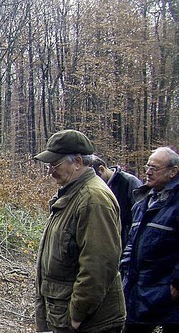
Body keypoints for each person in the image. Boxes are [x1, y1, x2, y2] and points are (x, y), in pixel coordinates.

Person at [34, 129, 125, 333]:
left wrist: (77, 314)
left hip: (87, 323)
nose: (50, 170)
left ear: (77, 162)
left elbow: (99, 264)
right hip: (65, 313)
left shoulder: (93, 199)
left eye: (55, 164)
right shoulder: (73, 193)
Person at [121, 146, 179, 333]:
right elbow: (132, 240)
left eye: (155, 168)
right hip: (138, 288)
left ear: (173, 172)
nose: (148, 172)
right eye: (148, 166)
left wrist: (176, 284)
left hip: (167, 292)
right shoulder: (143, 200)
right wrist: (125, 268)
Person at [89, 155, 142, 251]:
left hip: (125, 245)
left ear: (101, 169)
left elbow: (139, 217)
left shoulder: (129, 182)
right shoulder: (94, 189)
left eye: (94, 179)